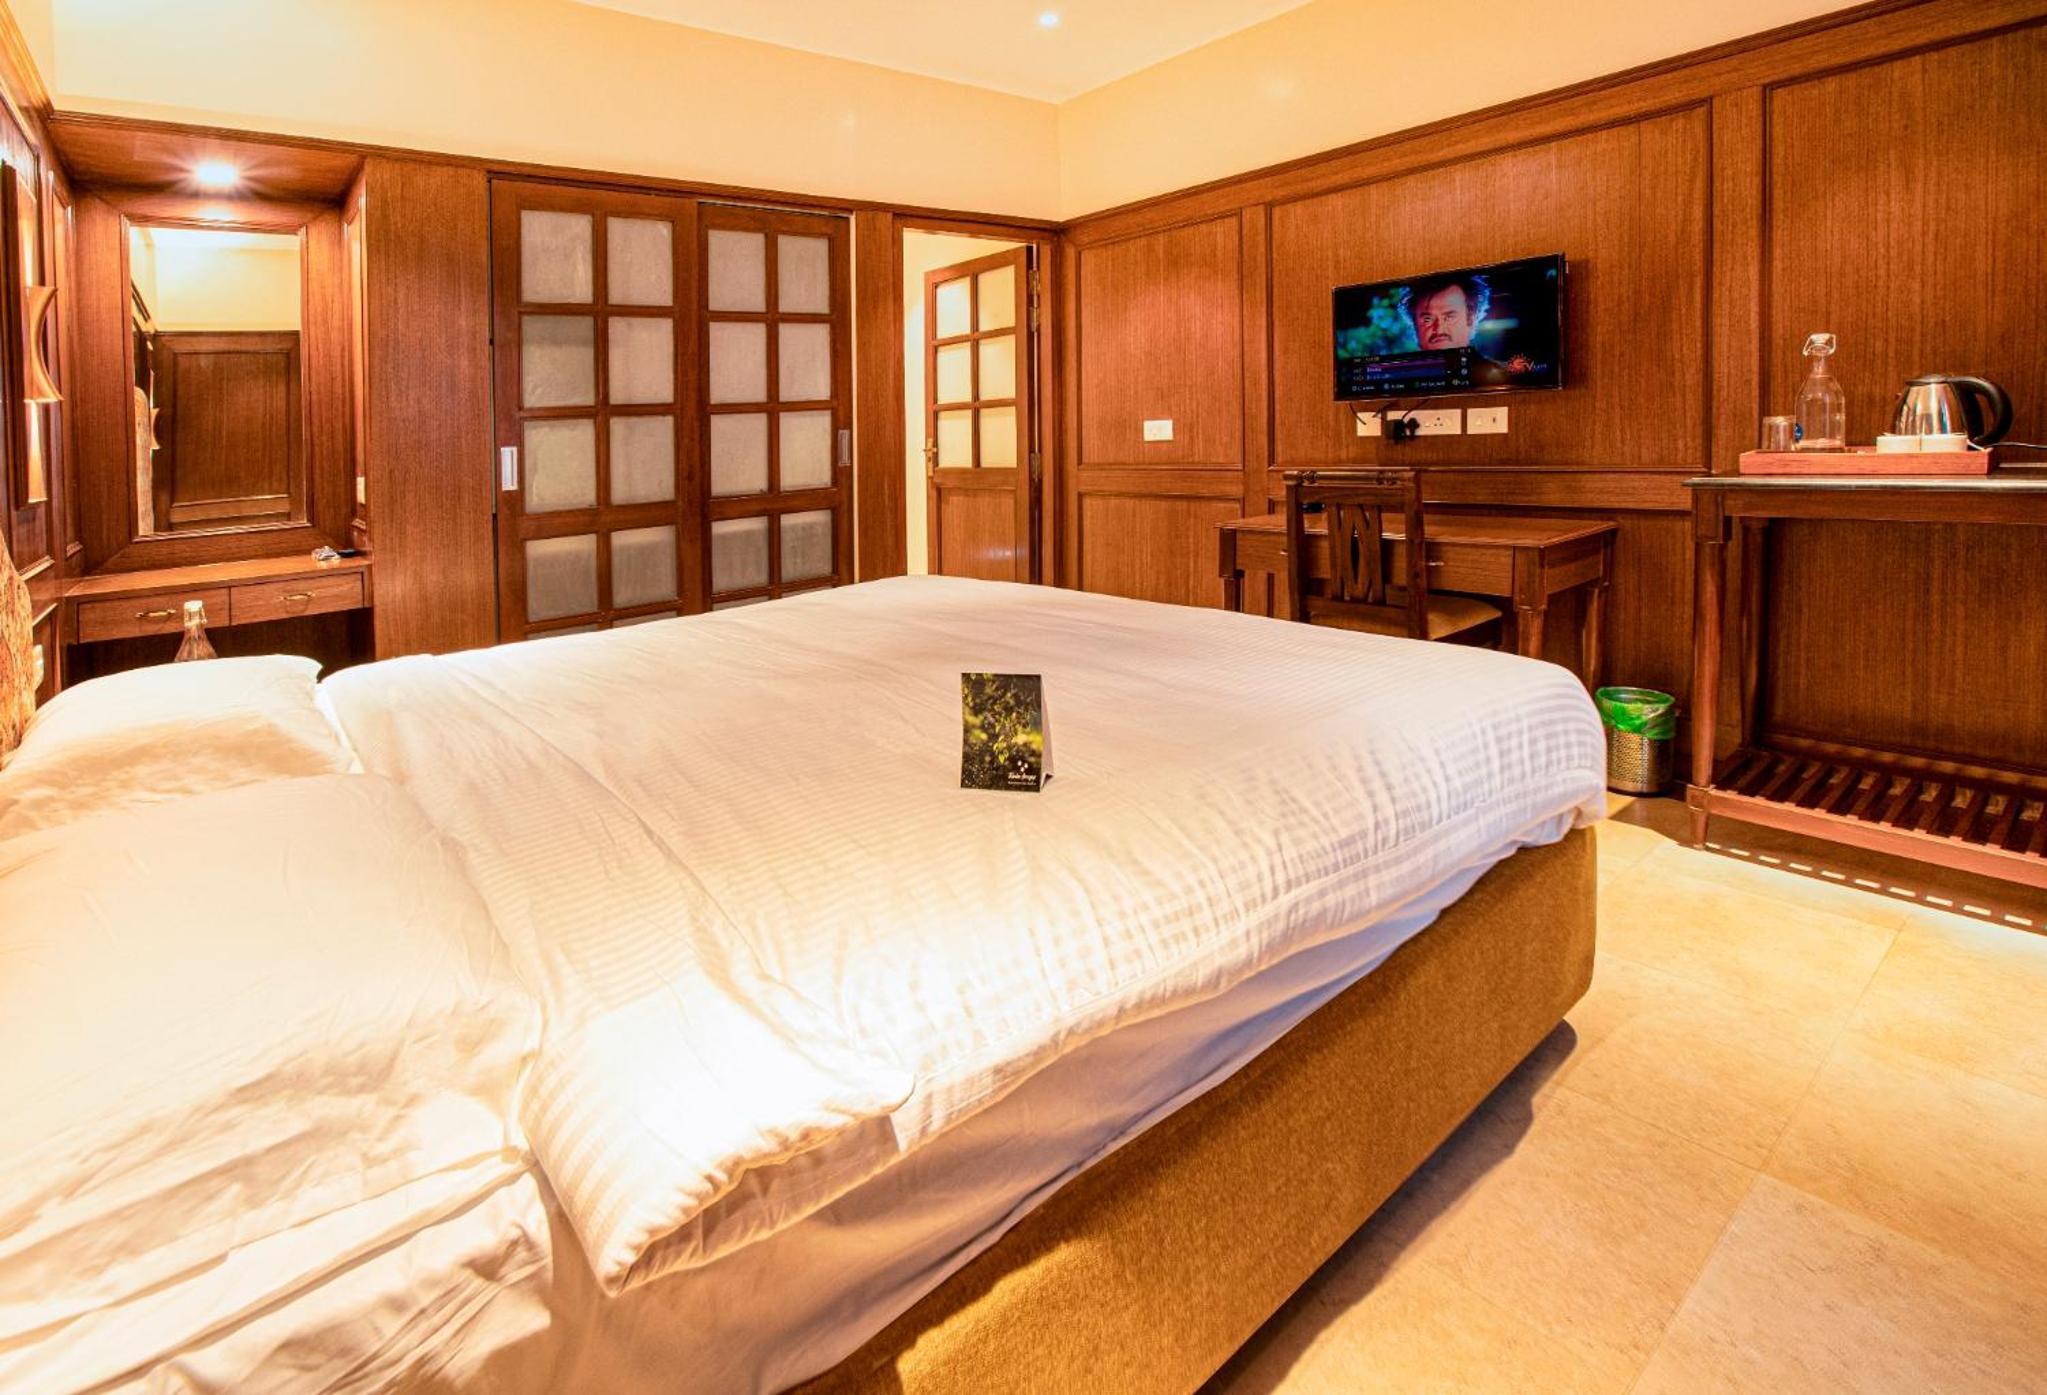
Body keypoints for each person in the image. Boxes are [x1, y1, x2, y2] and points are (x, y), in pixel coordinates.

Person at [1400, 272, 1533, 383]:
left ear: (1471, 319)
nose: (1439, 329)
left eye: (1450, 317)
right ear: (1415, 326)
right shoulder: (1402, 380)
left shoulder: (1507, 378)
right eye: (1427, 319)